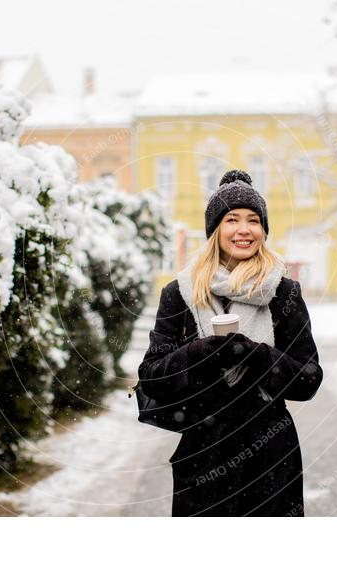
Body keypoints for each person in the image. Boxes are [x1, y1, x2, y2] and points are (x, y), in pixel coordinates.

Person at [138, 168, 323, 517]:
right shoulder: (180, 294)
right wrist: (199, 353)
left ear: (263, 231)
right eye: (231, 219)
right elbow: (151, 376)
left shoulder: (284, 292)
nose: (244, 230)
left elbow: (309, 378)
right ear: (214, 230)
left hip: (271, 455)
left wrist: (257, 356)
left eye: (254, 220)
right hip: (203, 455)